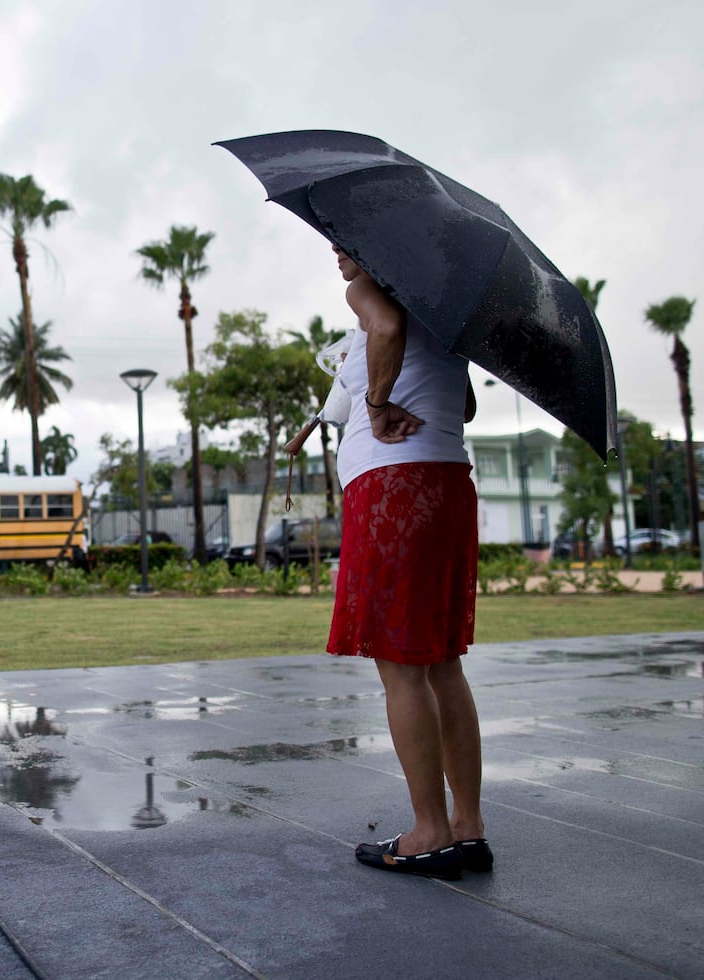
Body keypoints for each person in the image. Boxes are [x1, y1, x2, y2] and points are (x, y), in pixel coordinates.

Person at [326, 244, 491, 881]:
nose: (338, 255)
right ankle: (467, 828)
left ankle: (429, 830)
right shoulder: (447, 314)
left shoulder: (368, 291)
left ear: (375, 239)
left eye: (343, 241)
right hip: (449, 481)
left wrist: (375, 401)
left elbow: (387, 328)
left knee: (401, 667)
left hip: (394, 485)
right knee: (442, 661)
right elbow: (466, 405)